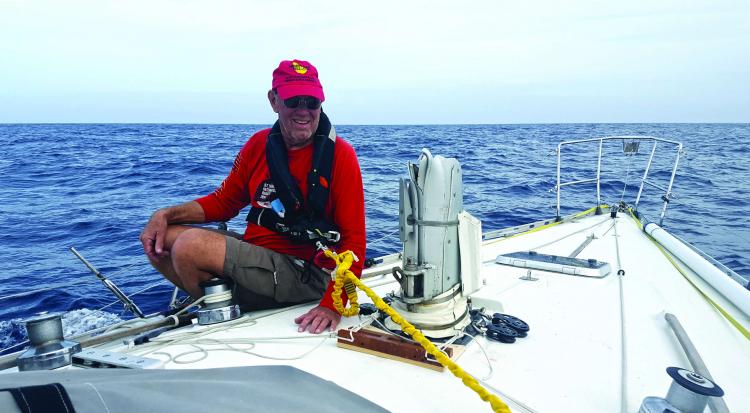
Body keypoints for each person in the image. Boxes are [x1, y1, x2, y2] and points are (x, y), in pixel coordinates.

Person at [140, 59, 366, 334]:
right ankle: (218, 302)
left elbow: (354, 239)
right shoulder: (258, 144)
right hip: (260, 257)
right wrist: (164, 215)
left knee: (190, 245)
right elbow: (224, 203)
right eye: (294, 101)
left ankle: (221, 308)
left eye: (312, 102)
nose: (304, 111)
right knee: (162, 238)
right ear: (274, 100)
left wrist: (332, 304)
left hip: (305, 271)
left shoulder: (341, 155)